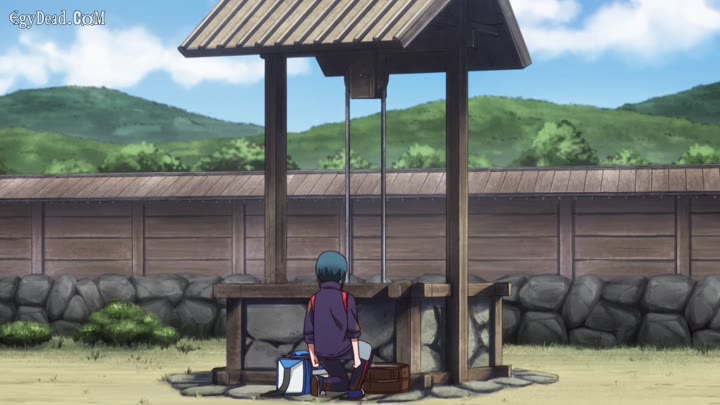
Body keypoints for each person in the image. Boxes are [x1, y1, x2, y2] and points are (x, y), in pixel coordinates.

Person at [304, 250, 373, 400]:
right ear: (342, 275)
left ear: (319, 274)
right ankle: (355, 390)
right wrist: (356, 358)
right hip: (342, 349)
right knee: (366, 350)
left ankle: (322, 382)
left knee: (342, 382)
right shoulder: (347, 298)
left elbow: (309, 332)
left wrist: (313, 355)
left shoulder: (314, 299)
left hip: (322, 352)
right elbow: (353, 331)